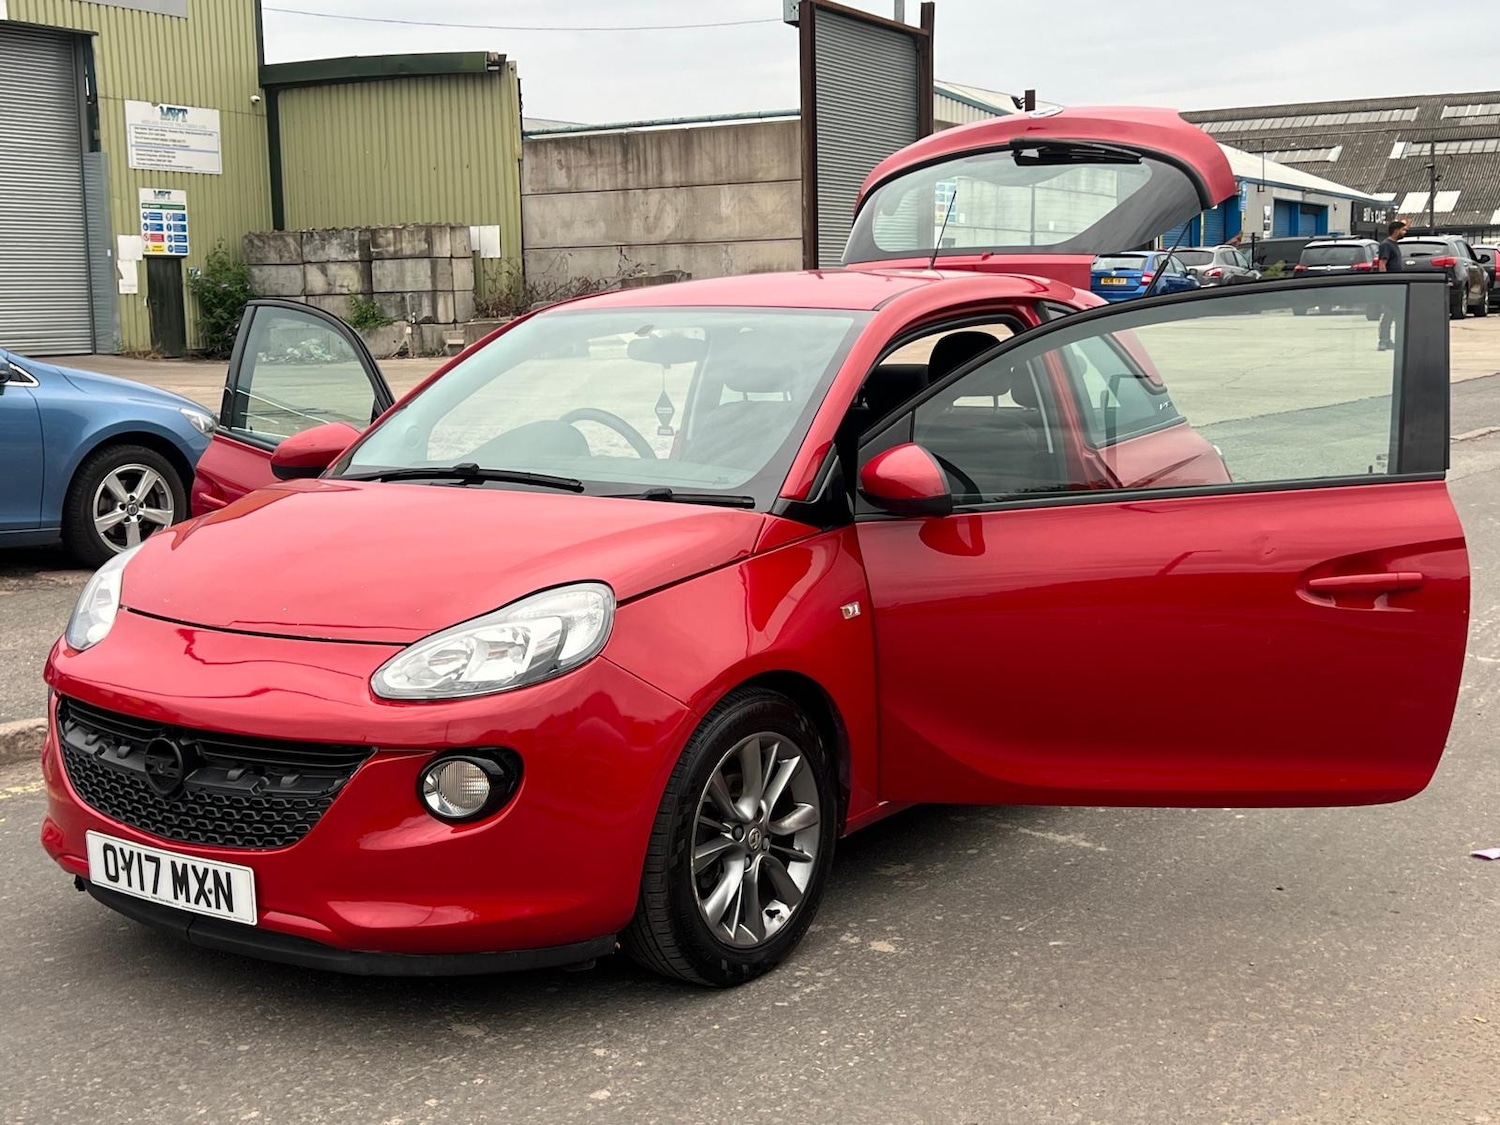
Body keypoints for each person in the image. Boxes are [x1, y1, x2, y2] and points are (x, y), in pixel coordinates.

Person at [1375, 219, 1408, 351]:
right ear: (1396, 230)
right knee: (1387, 313)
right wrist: (1386, 282)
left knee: (1395, 314)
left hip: (1397, 285)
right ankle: (1383, 341)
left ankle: (1390, 340)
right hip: (1390, 286)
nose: (1405, 232)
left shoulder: (1394, 245)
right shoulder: (1386, 245)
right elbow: (1382, 264)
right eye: (1403, 230)